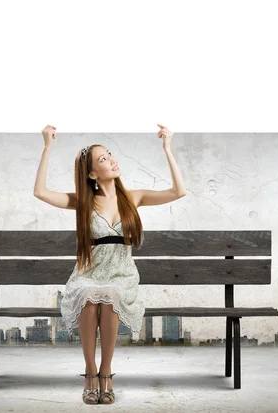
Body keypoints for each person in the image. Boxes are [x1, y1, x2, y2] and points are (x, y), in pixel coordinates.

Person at [33, 124, 186, 404]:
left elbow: (179, 191)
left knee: (110, 295)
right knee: (91, 296)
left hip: (121, 274)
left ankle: (106, 372)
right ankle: (90, 372)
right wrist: (47, 147)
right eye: (103, 159)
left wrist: (167, 148)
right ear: (92, 173)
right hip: (89, 274)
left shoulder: (133, 198)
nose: (112, 160)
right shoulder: (82, 202)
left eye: (110, 154)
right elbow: (41, 192)